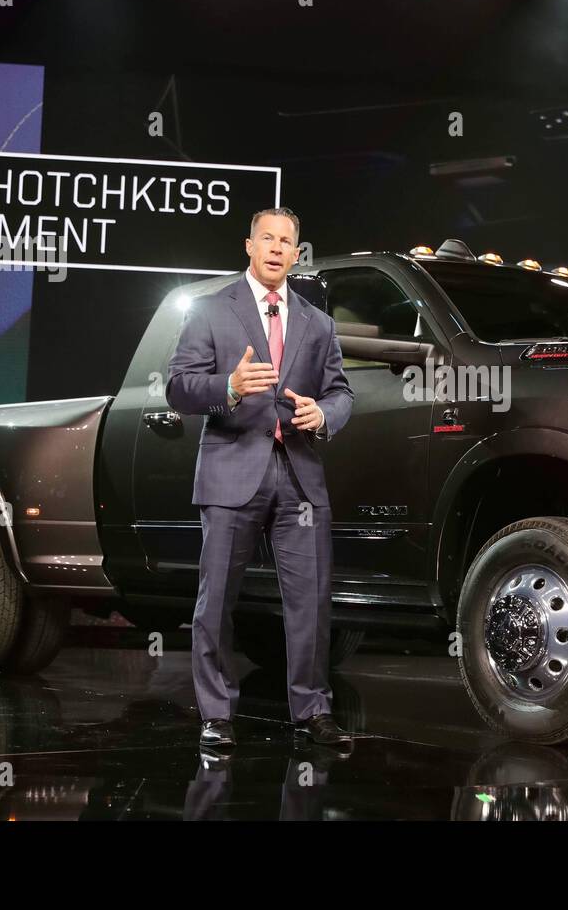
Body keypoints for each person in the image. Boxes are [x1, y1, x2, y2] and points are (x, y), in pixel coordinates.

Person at [166, 206, 354, 749]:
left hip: (300, 475)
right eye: (266, 238)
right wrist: (228, 385)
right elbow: (178, 387)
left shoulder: (318, 323)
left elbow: (341, 392)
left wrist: (325, 414)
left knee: (312, 601)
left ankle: (312, 711)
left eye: (286, 241)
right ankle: (216, 714)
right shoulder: (210, 310)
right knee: (216, 597)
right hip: (232, 470)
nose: (276, 248)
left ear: (297, 253)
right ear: (248, 246)